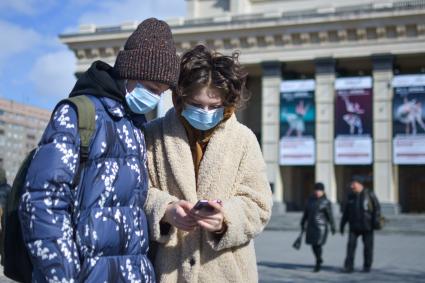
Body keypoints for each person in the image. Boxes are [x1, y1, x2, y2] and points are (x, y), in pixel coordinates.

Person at [18, 18, 180, 282]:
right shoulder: (79, 115)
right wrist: (62, 277)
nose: (154, 98)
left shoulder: (136, 126)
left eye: (161, 93)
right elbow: (42, 202)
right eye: (151, 88)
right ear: (128, 73)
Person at [143, 45, 273, 282]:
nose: (205, 112)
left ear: (227, 101)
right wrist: (165, 210)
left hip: (227, 272)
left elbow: (258, 203)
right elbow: (136, 192)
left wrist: (225, 219)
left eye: (214, 107)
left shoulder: (244, 140)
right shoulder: (153, 135)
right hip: (167, 270)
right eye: (196, 104)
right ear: (180, 98)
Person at [340, 177, 381, 273]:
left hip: (367, 226)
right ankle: (349, 266)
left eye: (353, 184)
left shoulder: (369, 194)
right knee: (350, 247)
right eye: (351, 184)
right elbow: (346, 212)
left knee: (368, 247)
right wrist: (342, 225)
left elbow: (377, 208)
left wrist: (375, 221)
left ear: (360, 184)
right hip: (353, 226)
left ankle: (367, 266)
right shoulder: (350, 196)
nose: (351, 186)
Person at [300, 182, 335, 272]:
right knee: (313, 245)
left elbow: (330, 215)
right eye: (316, 190)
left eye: (320, 190)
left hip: (321, 227)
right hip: (311, 226)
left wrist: (333, 226)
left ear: (323, 191)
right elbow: (306, 213)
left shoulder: (326, 202)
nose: (318, 192)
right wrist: (303, 222)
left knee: (318, 244)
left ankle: (318, 263)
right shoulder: (309, 200)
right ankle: (319, 258)